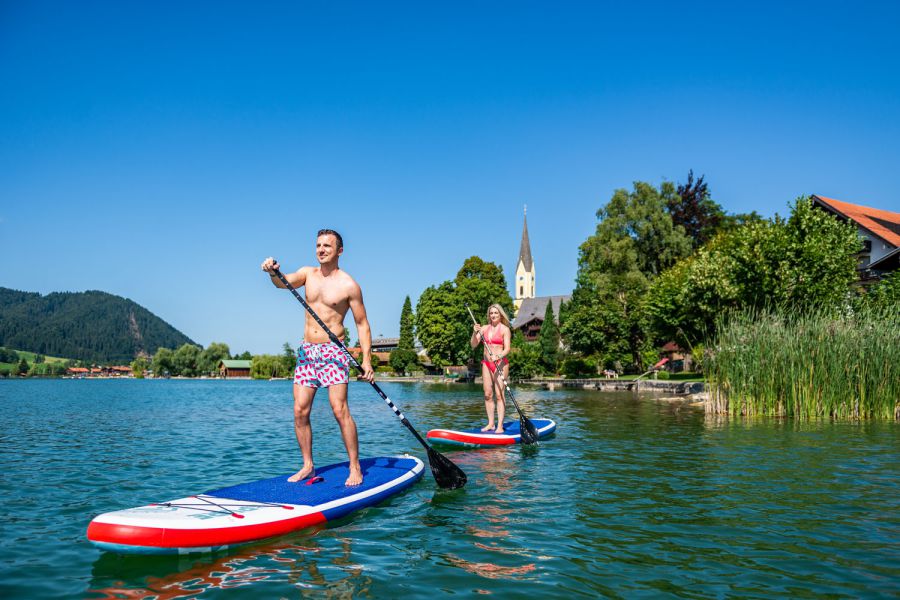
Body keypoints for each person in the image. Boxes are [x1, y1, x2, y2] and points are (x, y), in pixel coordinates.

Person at [261, 229, 375, 486]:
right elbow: (283, 282)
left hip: (334, 351)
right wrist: (272, 272)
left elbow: (362, 324)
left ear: (339, 251)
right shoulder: (307, 274)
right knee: (300, 410)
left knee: (339, 409)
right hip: (307, 352)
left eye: (327, 246)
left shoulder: (349, 285)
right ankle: (307, 465)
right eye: (318, 245)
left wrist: (366, 360)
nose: (321, 250)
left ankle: (355, 467)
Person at [470, 304, 512, 433]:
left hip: (501, 364)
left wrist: (498, 356)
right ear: (489, 315)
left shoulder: (505, 329)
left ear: (500, 315)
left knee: (499, 395)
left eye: (496, 313)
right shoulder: (483, 328)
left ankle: (499, 426)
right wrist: (474, 332)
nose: (493, 315)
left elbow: (507, 349)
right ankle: (490, 424)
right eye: (491, 313)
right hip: (486, 364)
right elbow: (473, 345)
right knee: (488, 395)